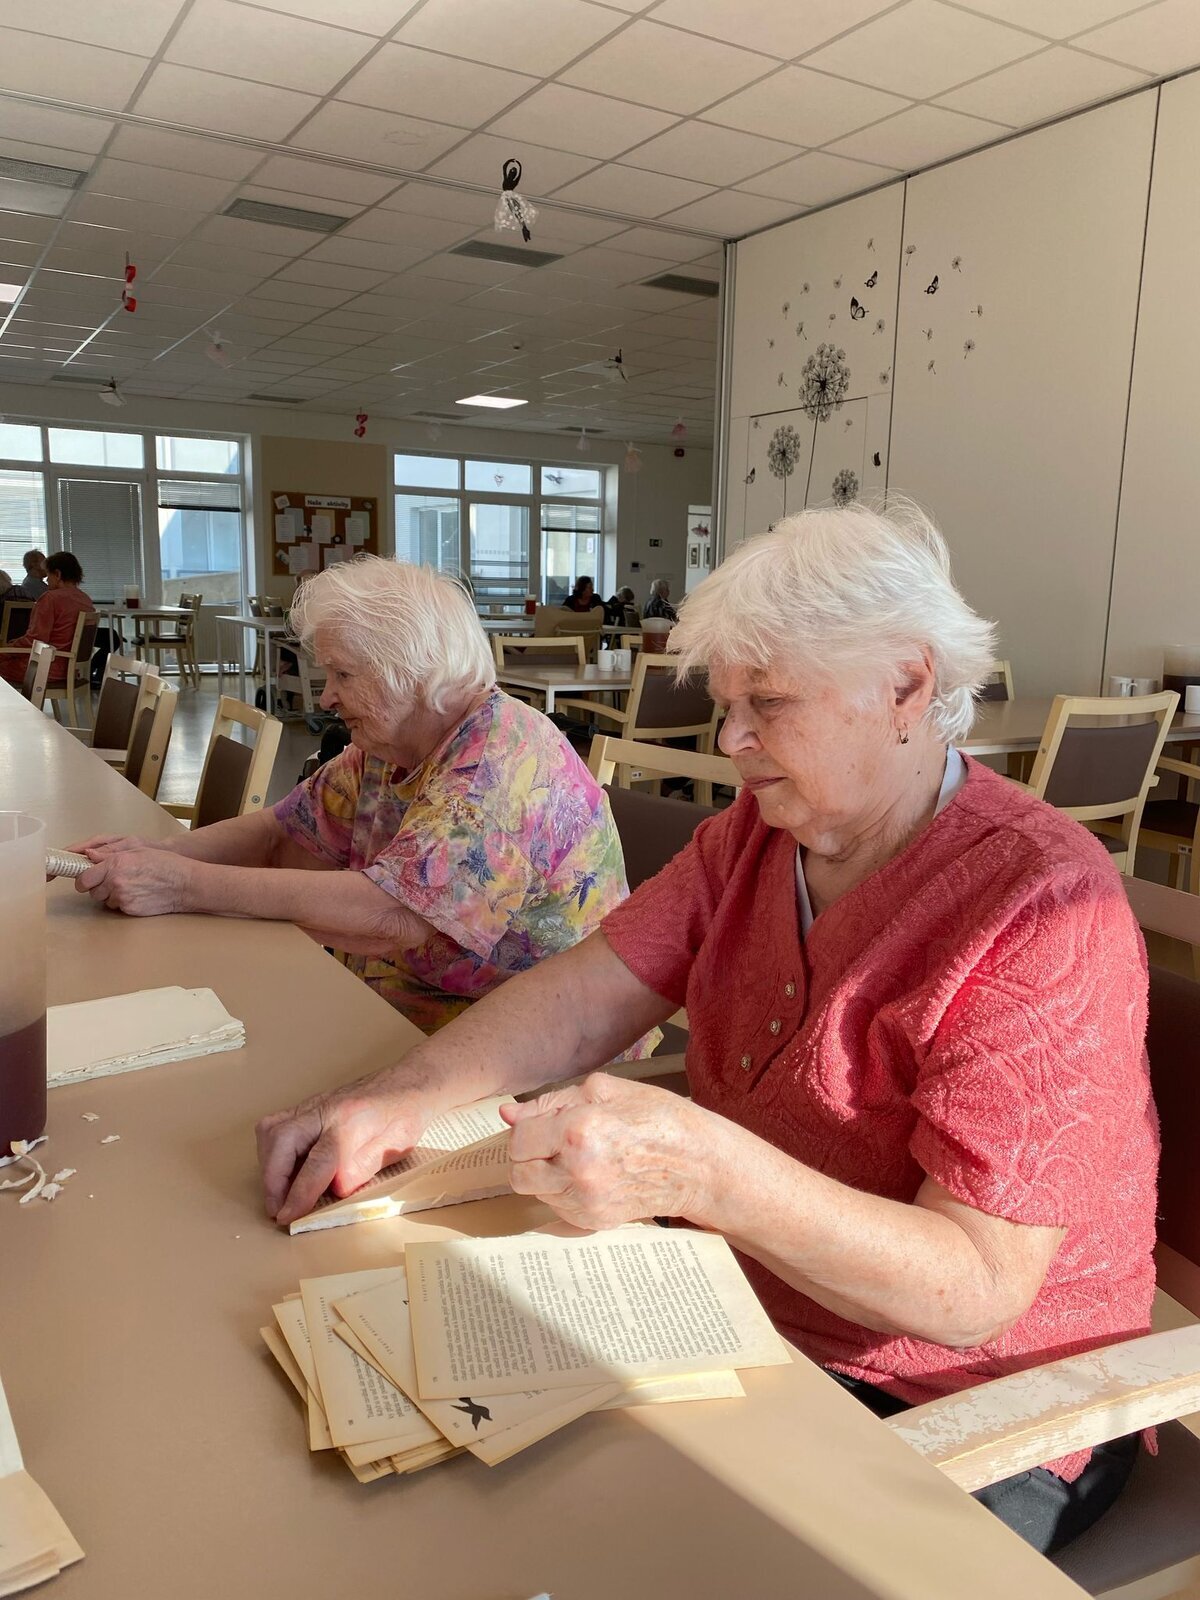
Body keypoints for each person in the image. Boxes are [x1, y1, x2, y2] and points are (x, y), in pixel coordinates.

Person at [256, 503, 1156, 1556]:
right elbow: (586, 995)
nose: (729, 741)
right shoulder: (757, 837)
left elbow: (976, 1290)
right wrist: (397, 1098)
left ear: (906, 687)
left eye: (766, 703)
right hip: (736, 1313)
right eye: (727, 706)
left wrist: (706, 1173)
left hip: (964, 1401)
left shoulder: (1040, 903)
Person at [71, 556, 651, 1041]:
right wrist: (157, 855)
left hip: (536, 1046)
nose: (326, 697)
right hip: (411, 1007)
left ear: (415, 672)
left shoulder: (499, 762)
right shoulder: (390, 743)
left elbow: (391, 917)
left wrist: (181, 885)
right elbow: (281, 832)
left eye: (344, 675)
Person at [0, 552, 92, 684]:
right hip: (71, 670)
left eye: (48, 575)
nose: (47, 580)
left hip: (46, 668)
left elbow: (35, 641)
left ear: (57, 574)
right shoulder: (86, 600)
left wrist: (8, 648)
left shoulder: (50, 599)